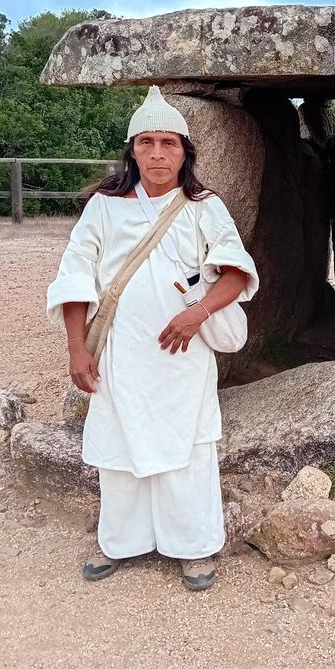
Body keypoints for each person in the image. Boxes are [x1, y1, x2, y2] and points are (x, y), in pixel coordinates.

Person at [47, 86, 259, 590]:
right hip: (121, 354)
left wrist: (197, 314)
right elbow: (75, 273)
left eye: (169, 142)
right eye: (147, 143)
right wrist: (78, 347)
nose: (158, 153)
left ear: (185, 151)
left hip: (183, 358)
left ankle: (194, 548)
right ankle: (120, 543)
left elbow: (235, 270)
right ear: (132, 150)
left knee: (186, 448)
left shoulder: (204, 206)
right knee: (121, 447)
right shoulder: (104, 206)